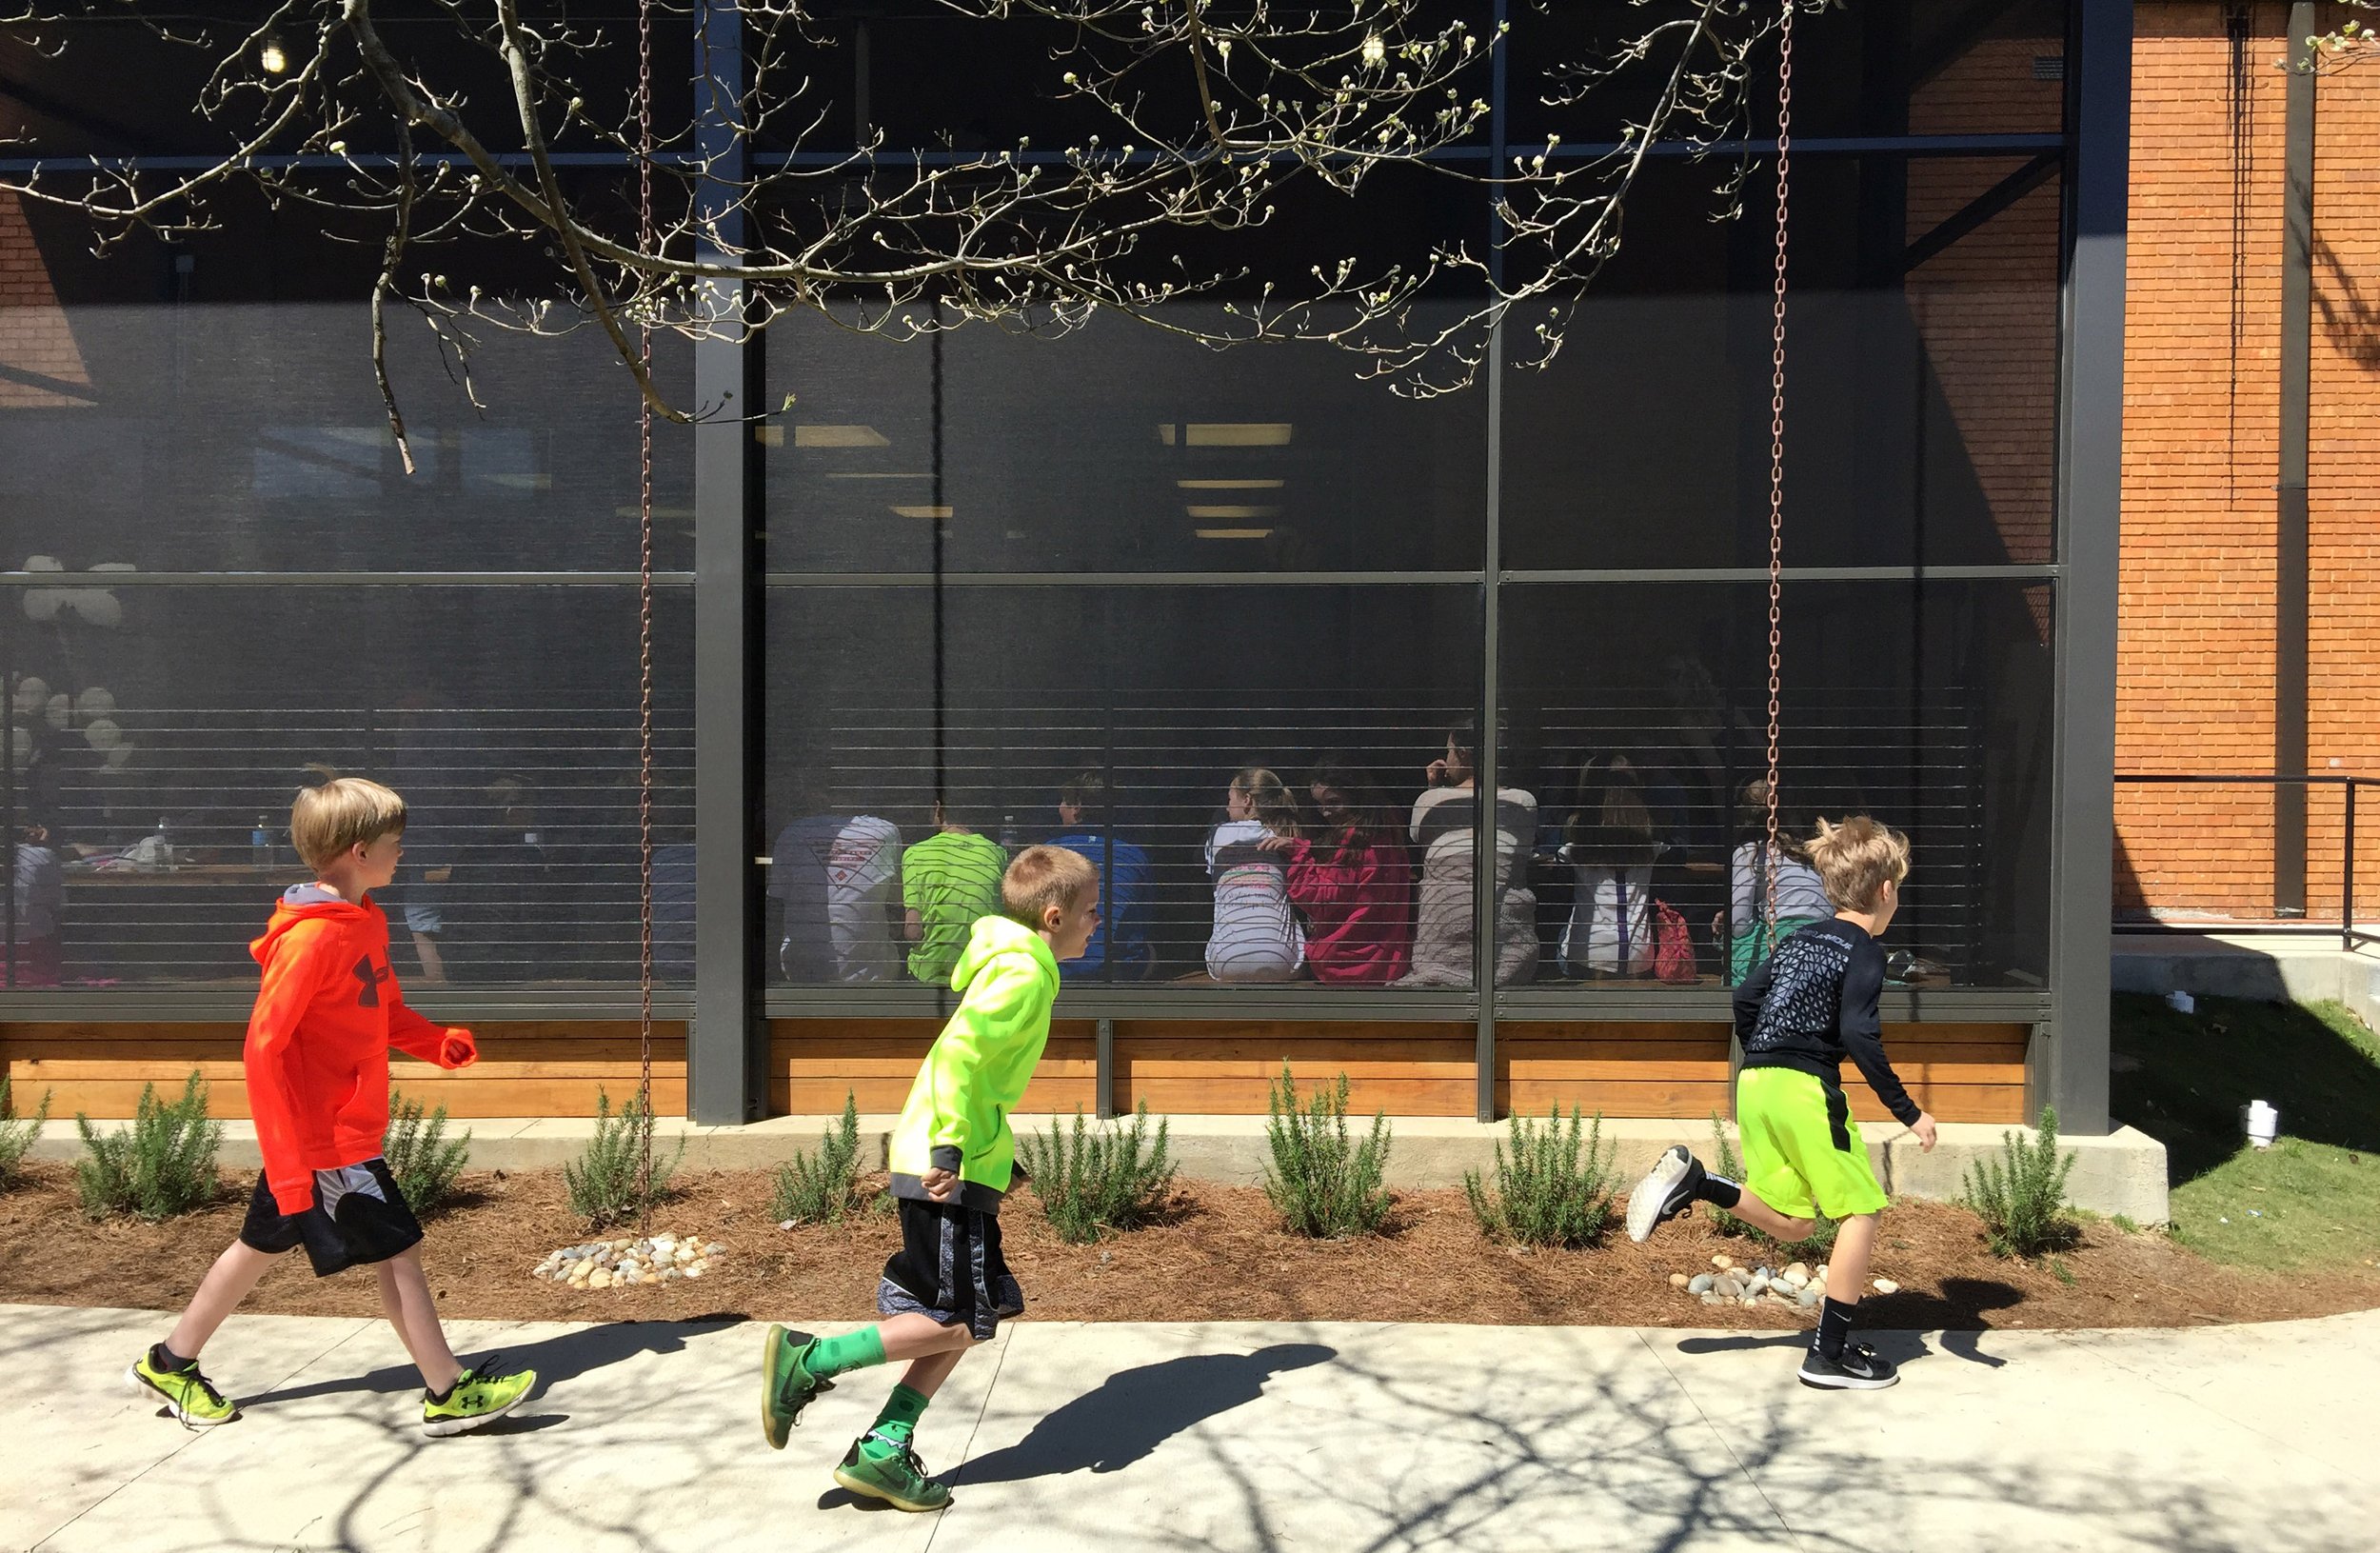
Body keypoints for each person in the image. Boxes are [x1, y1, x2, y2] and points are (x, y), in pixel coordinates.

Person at [124, 778, 536, 1433]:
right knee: (398, 1253)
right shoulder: (311, 939)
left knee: (257, 1246)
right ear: (357, 851)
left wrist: (436, 1042)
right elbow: (263, 1049)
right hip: (327, 1142)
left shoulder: (363, 921)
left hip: (336, 1134)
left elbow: (383, 1010)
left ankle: (171, 1361)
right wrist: (290, 1162)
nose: (403, 855)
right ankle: (447, 1390)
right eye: (395, 844)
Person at [760, 844, 1101, 1513]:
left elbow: (977, 1076)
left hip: (962, 1160)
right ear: (1055, 916)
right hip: (945, 1165)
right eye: (1092, 912)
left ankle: (885, 1446)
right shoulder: (1024, 975)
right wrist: (949, 1148)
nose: (1100, 922)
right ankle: (810, 1361)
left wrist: (994, 1155)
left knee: (977, 1312)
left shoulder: (1016, 964)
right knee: (959, 1317)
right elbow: (960, 1057)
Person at [1624, 816, 1939, 1391]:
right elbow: (1861, 1035)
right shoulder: (1865, 952)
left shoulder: (1799, 939)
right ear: (1886, 891)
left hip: (1757, 1081)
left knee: (1795, 1224)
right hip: (1803, 1089)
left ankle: (1698, 1182)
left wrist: (1765, 1049)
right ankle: (1829, 1354)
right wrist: (1908, 1111)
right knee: (1861, 1212)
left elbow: (1746, 996)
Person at [1397, 724, 1537, 987]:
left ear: (1462, 752)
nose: (1446, 759)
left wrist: (1433, 788)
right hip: (1508, 956)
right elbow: (1524, 849)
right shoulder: (1523, 800)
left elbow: (1418, 838)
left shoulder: (1431, 801)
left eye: (1449, 751)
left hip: (1441, 943)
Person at [1259, 755, 1413, 985]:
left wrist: (1300, 857)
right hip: (1385, 961)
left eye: (1333, 802)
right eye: (1320, 804)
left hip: (1347, 964)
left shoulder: (1356, 846)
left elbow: (1320, 899)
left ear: (1356, 797)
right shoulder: (1385, 833)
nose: (1325, 812)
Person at [771, 792, 904, 984]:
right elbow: (895, 901)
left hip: (802, 976)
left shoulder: (793, 832)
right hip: (873, 978)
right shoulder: (885, 831)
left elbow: (778, 902)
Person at [1718, 778, 1832, 984]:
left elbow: (1739, 924)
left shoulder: (1753, 852)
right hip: (1826, 944)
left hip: (1783, 939)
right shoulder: (1816, 850)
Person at [1558, 758, 1664, 979]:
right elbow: (1680, 851)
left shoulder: (1573, 850)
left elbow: (1556, 853)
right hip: (1639, 959)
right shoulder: (1652, 850)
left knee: (1561, 935)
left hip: (1586, 955)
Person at [1043, 769, 1152, 982]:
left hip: (1055, 971)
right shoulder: (1134, 855)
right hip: (1113, 973)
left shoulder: (1047, 855)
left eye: (1064, 802)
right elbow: (1140, 924)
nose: (1059, 808)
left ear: (1077, 808)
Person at [1203, 767, 1306, 982]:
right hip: (1282, 963)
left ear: (1247, 800)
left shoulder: (1217, 835)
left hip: (1226, 962)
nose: (1227, 806)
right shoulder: (1287, 837)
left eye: (1230, 798)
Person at [901, 799, 1008, 986]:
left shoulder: (915, 853)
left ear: (939, 809)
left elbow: (913, 931)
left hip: (929, 977)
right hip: (979, 978)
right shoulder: (995, 853)